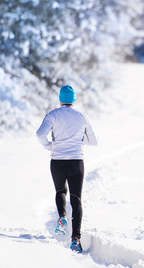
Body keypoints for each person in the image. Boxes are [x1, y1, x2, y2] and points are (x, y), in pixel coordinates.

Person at [36, 85, 98, 253]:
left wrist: (50, 145)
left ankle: (62, 216)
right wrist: (77, 140)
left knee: (60, 191)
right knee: (76, 199)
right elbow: (94, 141)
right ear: (74, 99)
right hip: (76, 162)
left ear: (60, 98)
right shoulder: (82, 116)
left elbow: (39, 134)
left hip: (57, 161)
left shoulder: (53, 115)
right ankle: (75, 239)